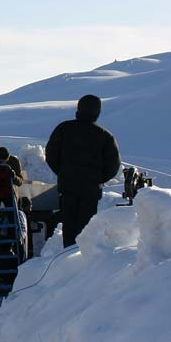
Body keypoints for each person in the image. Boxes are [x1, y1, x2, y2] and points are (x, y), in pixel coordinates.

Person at [45, 94, 121, 248]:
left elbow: (51, 155)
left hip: (68, 187)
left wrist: (63, 172)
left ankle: (68, 256)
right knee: (86, 229)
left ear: (79, 109)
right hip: (90, 190)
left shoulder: (63, 129)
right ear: (97, 112)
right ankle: (82, 257)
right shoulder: (104, 135)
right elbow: (113, 165)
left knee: (69, 227)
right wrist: (97, 179)